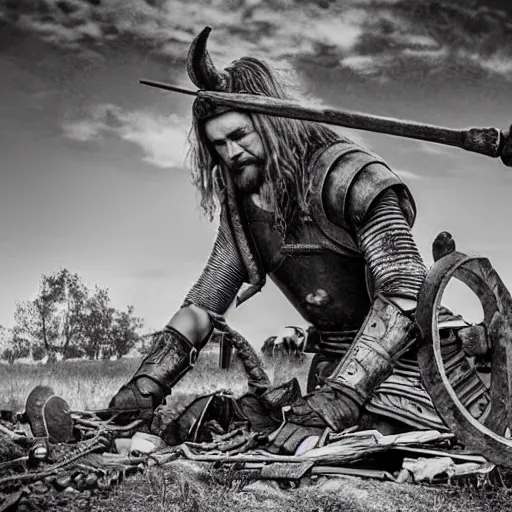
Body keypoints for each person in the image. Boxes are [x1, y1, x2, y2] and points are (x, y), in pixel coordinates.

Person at [110, 27, 490, 452]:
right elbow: (204, 304)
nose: (231, 154)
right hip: (331, 375)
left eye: (239, 137)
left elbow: (405, 292)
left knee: (323, 444)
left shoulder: (349, 177)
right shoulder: (244, 206)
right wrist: (146, 384)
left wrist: (342, 397)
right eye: (219, 145)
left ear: (271, 124)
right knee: (207, 420)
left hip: (414, 375)